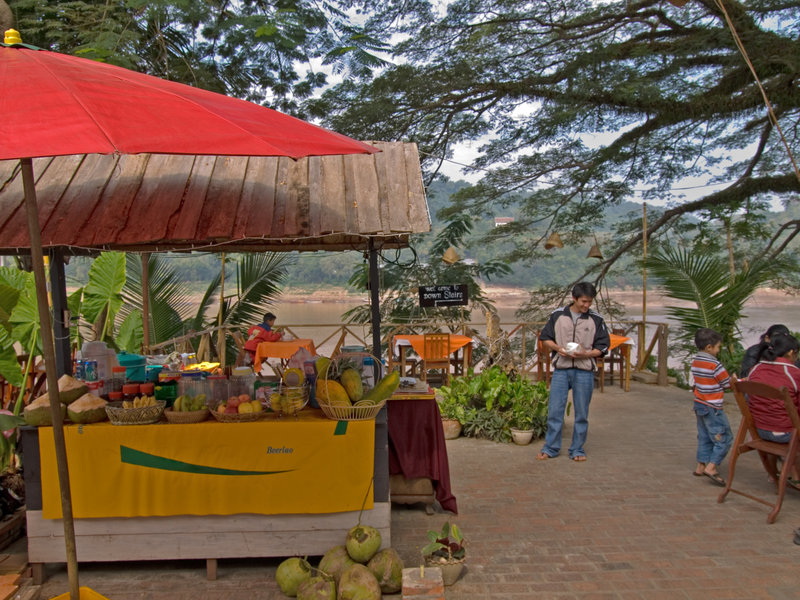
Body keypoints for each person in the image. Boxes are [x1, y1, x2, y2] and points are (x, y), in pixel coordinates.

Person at [536, 282, 610, 462]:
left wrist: (586, 354)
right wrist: (558, 348)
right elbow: (545, 337)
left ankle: (577, 449)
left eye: (589, 302)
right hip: (561, 369)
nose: (586, 305)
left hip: (584, 371)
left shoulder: (596, 319)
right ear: (574, 298)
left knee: (582, 413)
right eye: (583, 301)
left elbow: (603, 347)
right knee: (555, 410)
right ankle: (551, 448)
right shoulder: (558, 315)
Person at [745, 332, 800, 487]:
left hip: (758, 431)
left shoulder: (756, 369)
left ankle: (781, 474)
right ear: (791, 352)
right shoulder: (794, 374)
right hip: (785, 434)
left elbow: (750, 400)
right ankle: (793, 474)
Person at [690, 328, 732, 486]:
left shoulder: (696, 361)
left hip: (699, 403)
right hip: (713, 406)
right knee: (724, 437)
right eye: (718, 347)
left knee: (704, 435)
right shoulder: (714, 364)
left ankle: (701, 465)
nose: (718, 350)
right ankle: (712, 466)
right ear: (709, 347)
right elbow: (727, 383)